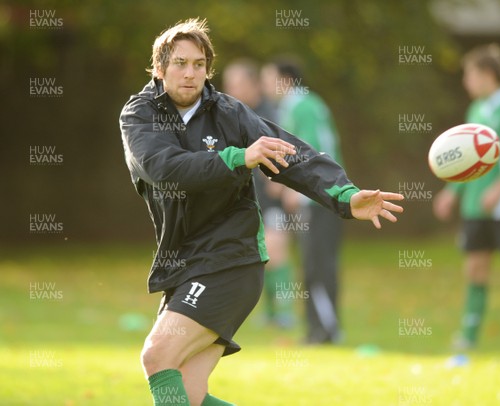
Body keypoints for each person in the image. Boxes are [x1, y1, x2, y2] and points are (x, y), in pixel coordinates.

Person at [119, 18, 404, 406]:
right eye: (180, 63)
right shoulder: (139, 116)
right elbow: (165, 168)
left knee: (157, 355)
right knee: (188, 394)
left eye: (199, 64)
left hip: (230, 259)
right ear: (159, 68)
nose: (190, 73)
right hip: (185, 261)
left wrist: (345, 195)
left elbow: (292, 153)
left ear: (208, 68)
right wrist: (239, 156)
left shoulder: (229, 113)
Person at [433, 44, 500, 350]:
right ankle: (469, 336)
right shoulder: (476, 111)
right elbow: (461, 162)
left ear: (488, 74)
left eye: (470, 74)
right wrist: (451, 193)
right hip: (475, 207)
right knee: (475, 268)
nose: (466, 81)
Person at [261, 58, 346, 344]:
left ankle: (327, 330)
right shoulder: (297, 106)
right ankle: (317, 330)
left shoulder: (302, 106)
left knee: (318, 265)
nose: (264, 86)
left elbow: (312, 152)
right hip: (316, 200)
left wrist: (295, 190)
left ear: (285, 80)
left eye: (268, 78)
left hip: (320, 200)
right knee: (310, 265)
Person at [222, 58, 295, 328]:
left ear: (254, 84)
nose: (231, 89)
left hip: (271, 198)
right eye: (228, 84)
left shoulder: (272, 112)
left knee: (277, 252)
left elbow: (293, 146)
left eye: (237, 83)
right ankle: (267, 313)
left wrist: (285, 180)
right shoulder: (229, 116)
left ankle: (284, 313)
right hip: (245, 200)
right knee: (258, 256)